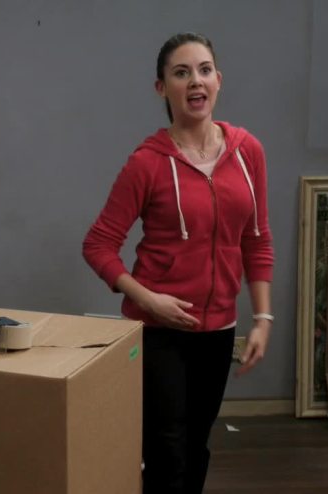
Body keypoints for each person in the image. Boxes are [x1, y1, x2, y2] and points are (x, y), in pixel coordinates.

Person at [82, 33, 274, 493]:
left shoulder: (247, 152)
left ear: (218, 80)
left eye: (204, 70)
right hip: (159, 331)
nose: (195, 81)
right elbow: (98, 245)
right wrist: (149, 300)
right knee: (166, 449)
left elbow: (257, 239)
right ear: (161, 87)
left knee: (196, 445)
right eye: (181, 73)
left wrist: (263, 318)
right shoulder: (147, 163)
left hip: (219, 329)